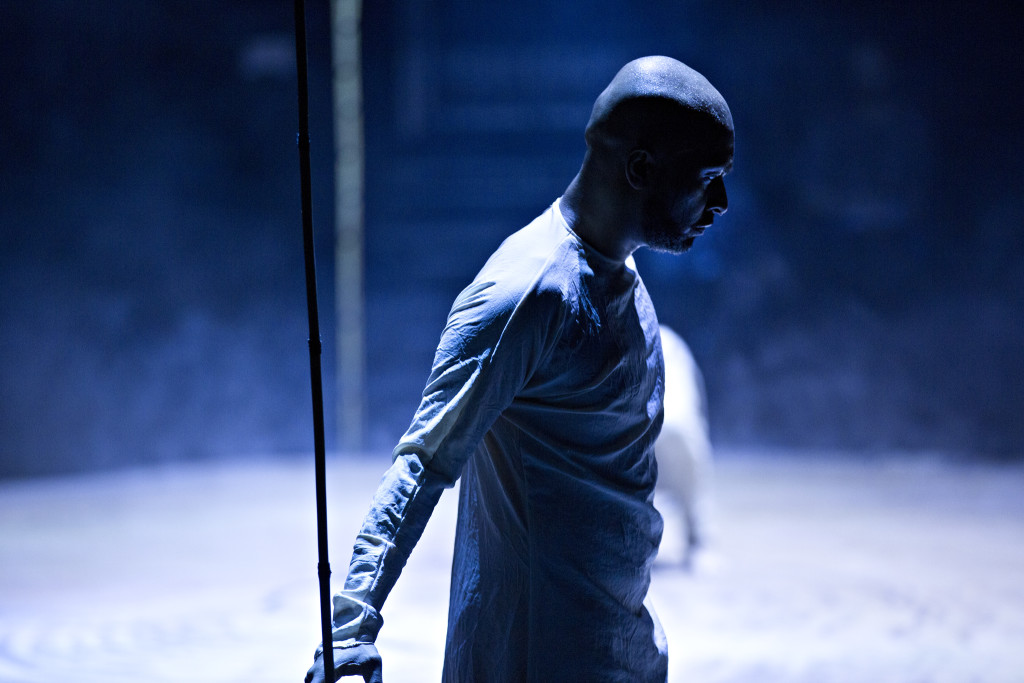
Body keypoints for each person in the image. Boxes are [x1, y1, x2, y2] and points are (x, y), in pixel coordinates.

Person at [305, 55, 734, 683]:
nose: (721, 202)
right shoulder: (526, 293)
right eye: (708, 177)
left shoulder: (621, 273)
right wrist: (348, 627)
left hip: (617, 653)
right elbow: (422, 463)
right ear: (641, 169)